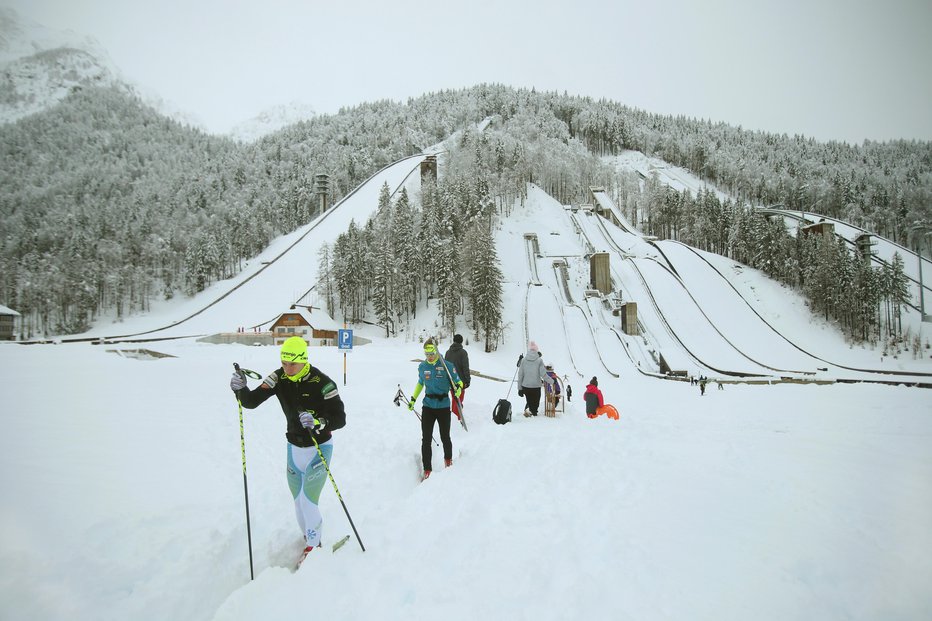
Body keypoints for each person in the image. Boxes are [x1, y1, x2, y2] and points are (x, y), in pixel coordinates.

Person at [230, 336, 346, 561]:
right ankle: (309, 537)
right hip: (293, 448)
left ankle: (314, 546)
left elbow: (340, 419)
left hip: (319, 447)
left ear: (304, 360)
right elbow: (251, 401)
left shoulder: (322, 382)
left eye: (292, 363)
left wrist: (319, 421)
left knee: (307, 500)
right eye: (284, 363)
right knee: (298, 501)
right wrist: (241, 389)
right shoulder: (278, 377)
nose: (287, 368)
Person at [408, 341, 462, 480]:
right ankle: (427, 469)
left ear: (436, 352)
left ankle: (448, 461)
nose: (430, 357)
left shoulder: (447, 366)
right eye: (427, 354)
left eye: (432, 353)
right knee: (426, 439)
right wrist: (413, 398)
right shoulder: (422, 366)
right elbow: (421, 383)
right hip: (428, 406)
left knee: (445, 436)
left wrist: (458, 389)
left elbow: (458, 381)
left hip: (443, 406)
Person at [517, 340, 553, 417]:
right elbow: (543, 374)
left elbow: (520, 375)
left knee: (529, 402)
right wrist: (552, 381)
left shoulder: (523, 360)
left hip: (526, 386)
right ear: (537, 351)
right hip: (536, 386)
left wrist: (520, 388)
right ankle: (534, 414)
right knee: (535, 404)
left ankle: (530, 413)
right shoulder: (539, 360)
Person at [444, 334, 470, 421]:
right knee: (458, 399)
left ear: (454, 340)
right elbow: (465, 367)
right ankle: (456, 419)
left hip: (450, 381)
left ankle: (455, 416)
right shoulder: (463, 352)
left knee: (454, 398)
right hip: (460, 381)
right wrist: (467, 380)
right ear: (461, 341)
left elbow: (445, 367)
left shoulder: (448, 352)